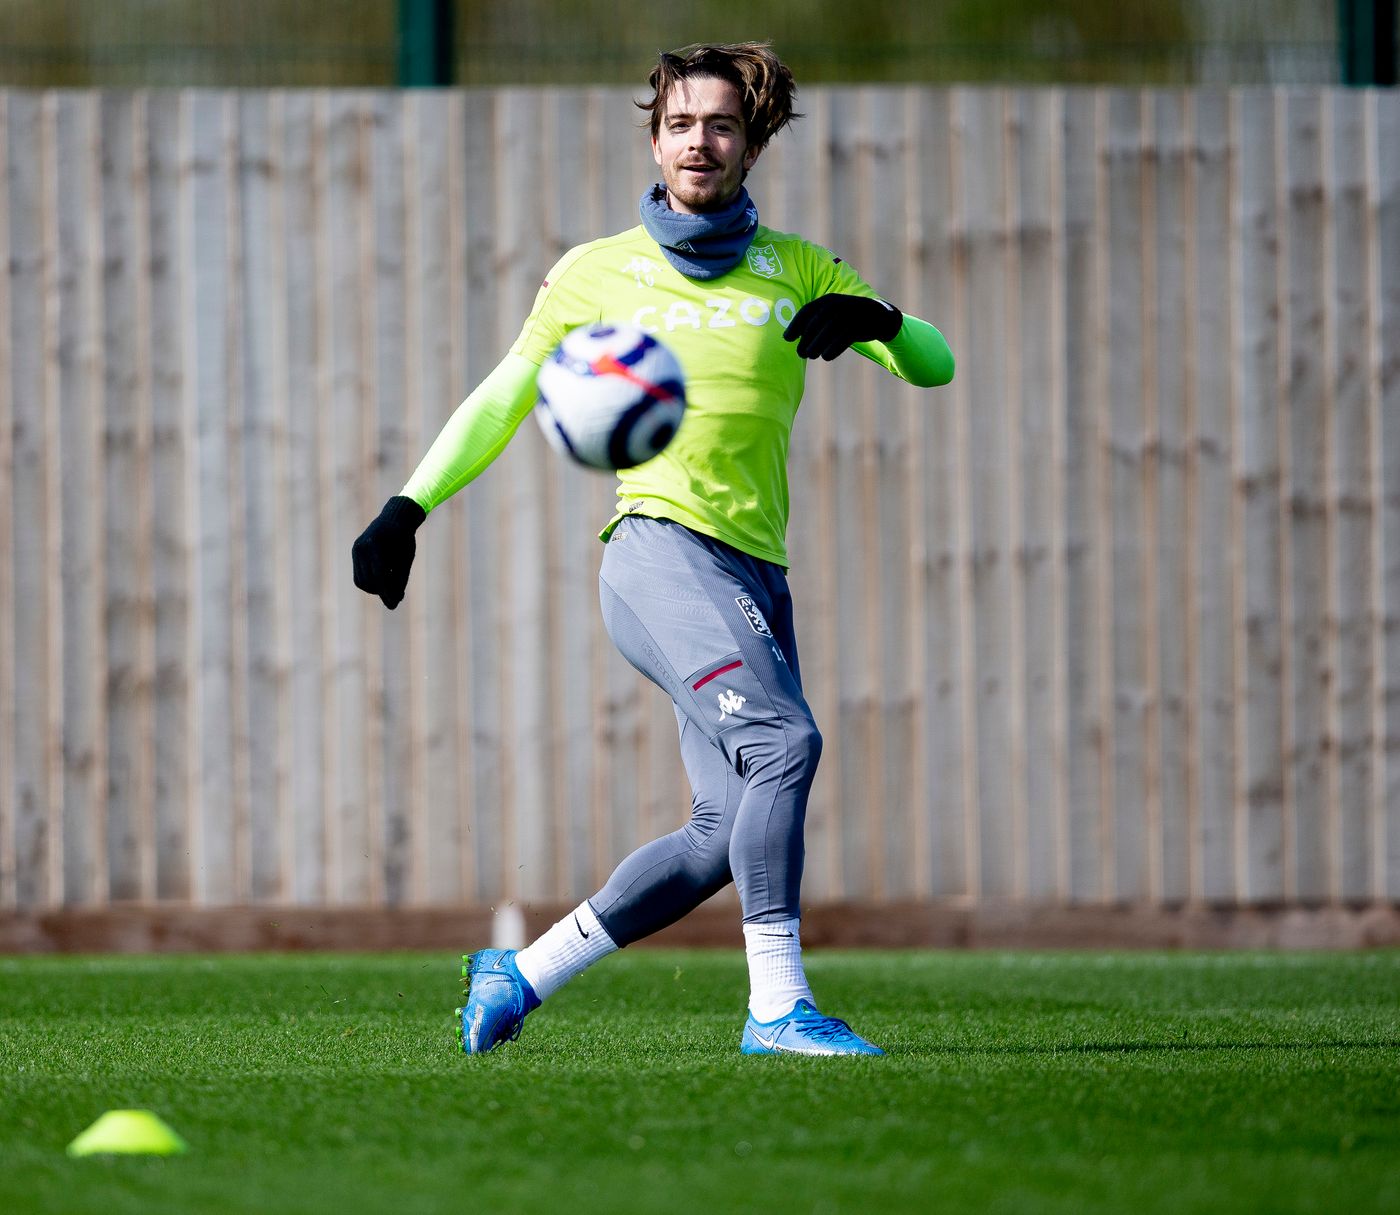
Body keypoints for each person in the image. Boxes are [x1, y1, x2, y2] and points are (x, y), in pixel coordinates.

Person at [352, 42, 954, 1056]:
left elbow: (929, 366)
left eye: (719, 124)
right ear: (654, 135)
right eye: (679, 123)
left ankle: (522, 971)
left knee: (723, 831)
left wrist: (880, 320)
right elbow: (506, 395)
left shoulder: (798, 269)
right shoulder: (597, 270)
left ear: (749, 140)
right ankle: (776, 1009)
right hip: (657, 550)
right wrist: (407, 506)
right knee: (783, 746)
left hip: (754, 570)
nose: (698, 141)